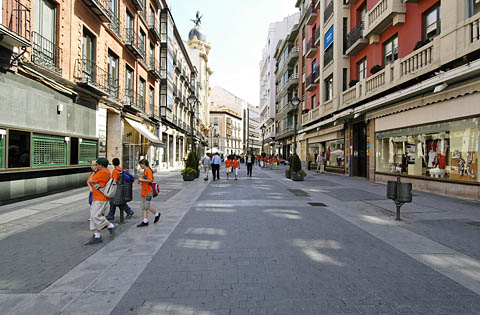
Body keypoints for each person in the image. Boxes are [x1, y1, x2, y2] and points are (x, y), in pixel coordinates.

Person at [85, 158, 115, 245]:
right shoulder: (103, 171)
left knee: (95, 216)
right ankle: (97, 235)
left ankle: (110, 225)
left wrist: (94, 172)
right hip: (97, 197)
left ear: (101, 165)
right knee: (93, 216)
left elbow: (90, 180)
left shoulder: (103, 172)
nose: (95, 166)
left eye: (96, 164)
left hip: (100, 198)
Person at [137, 159, 161, 227]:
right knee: (143, 206)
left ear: (144, 164)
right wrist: (140, 180)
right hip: (144, 191)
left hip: (148, 191)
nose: (140, 166)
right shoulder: (145, 171)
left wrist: (142, 180)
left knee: (146, 206)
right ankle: (145, 221)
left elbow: (150, 180)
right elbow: (145, 178)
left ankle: (157, 214)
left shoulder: (148, 171)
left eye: (141, 164)